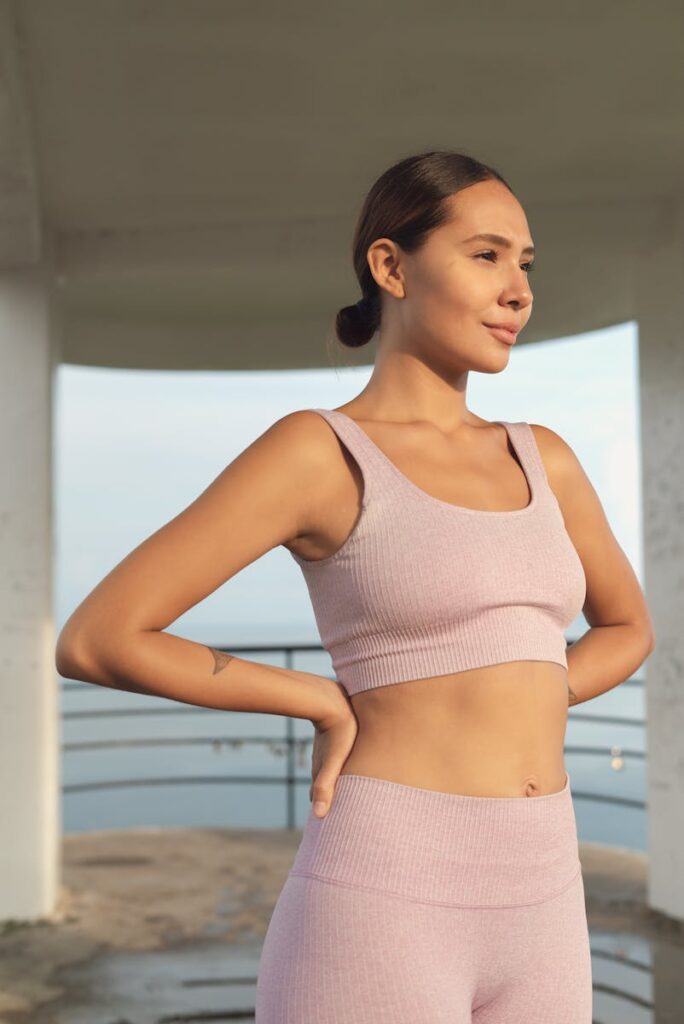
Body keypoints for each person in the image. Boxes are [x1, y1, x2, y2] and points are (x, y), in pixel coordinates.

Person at [55, 149, 656, 1023]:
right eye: (486, 256)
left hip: (547, 894)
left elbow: (628, 627)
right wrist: (316, 699)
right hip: (387, 891)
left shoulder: (545, 458)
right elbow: (100, 637)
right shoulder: (320, 452)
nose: (519, 291)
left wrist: (528, 688)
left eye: (526, 264)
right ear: (390, 267)